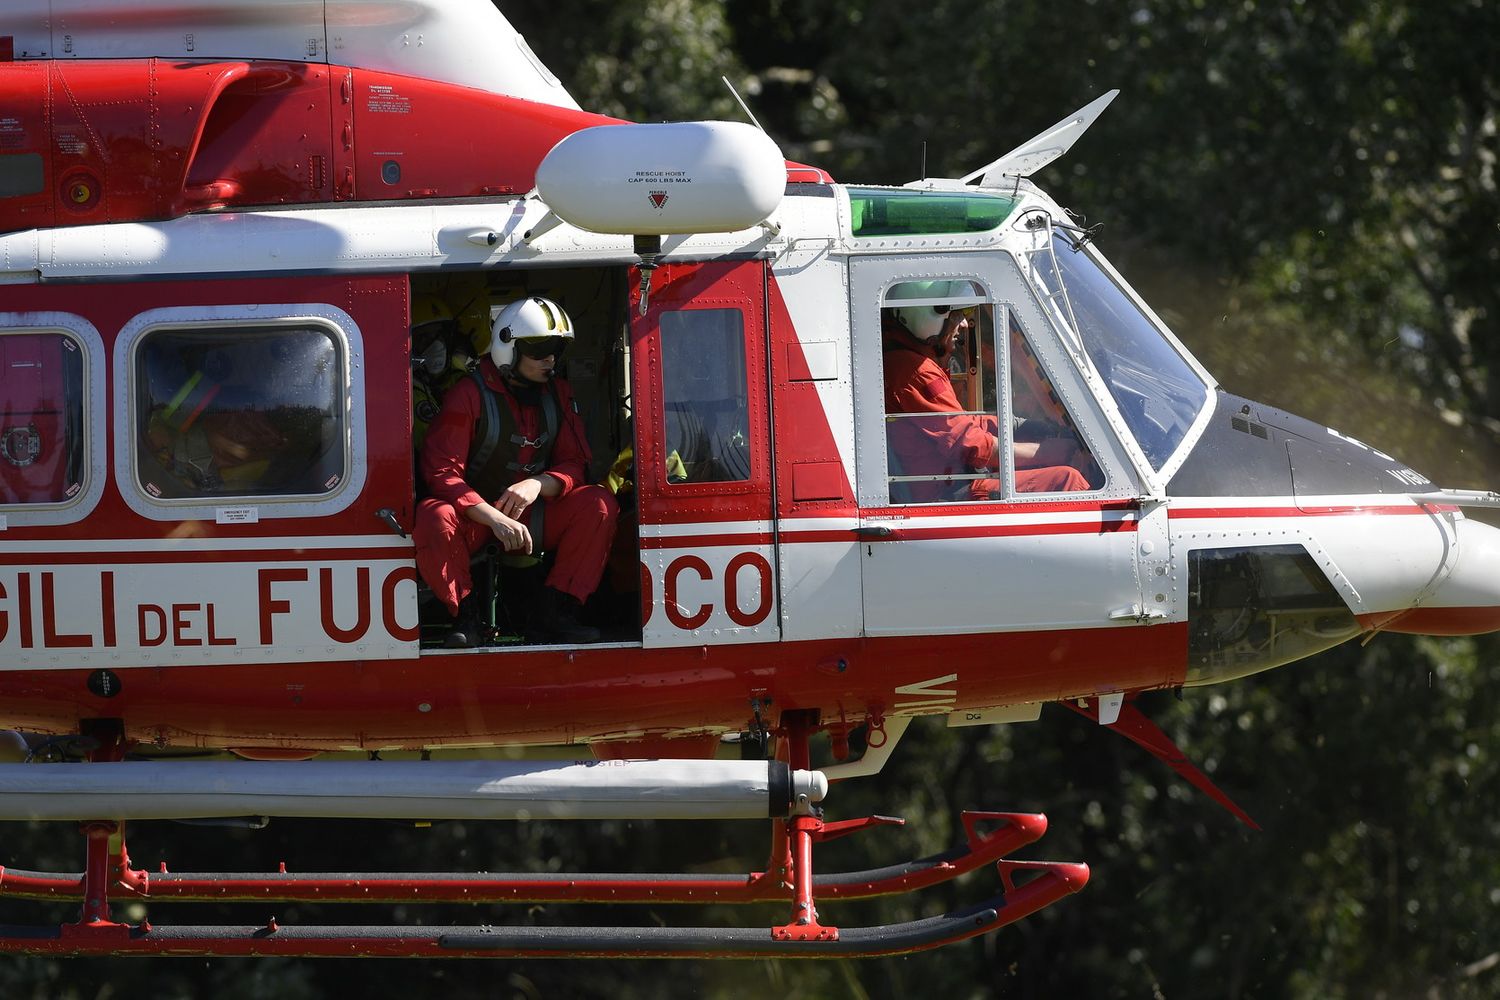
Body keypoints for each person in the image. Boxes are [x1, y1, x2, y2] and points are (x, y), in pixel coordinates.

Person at [415, 295, 618, 646]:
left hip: (532, 516)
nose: (550, 359)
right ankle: (465, 619)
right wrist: (493, 518)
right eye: (539, 350)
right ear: (508, 348)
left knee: (599, 503)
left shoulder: (559, 393)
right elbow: (442, 473)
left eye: (555, 349)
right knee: (433, 515)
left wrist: (538, 484)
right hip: (475, 519)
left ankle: (557, 614)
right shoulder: (468, 393)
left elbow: (576, 466)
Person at [882, 282, 1089, 501]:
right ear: (928, 319)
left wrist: (1030, 428)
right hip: (948, 494)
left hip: (950, 482)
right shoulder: (917, 373)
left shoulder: (908, 363)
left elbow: (961, 424)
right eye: (957, 315)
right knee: (1067, 480)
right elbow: (969, 443)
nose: (963, 324)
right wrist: (1047, 453)